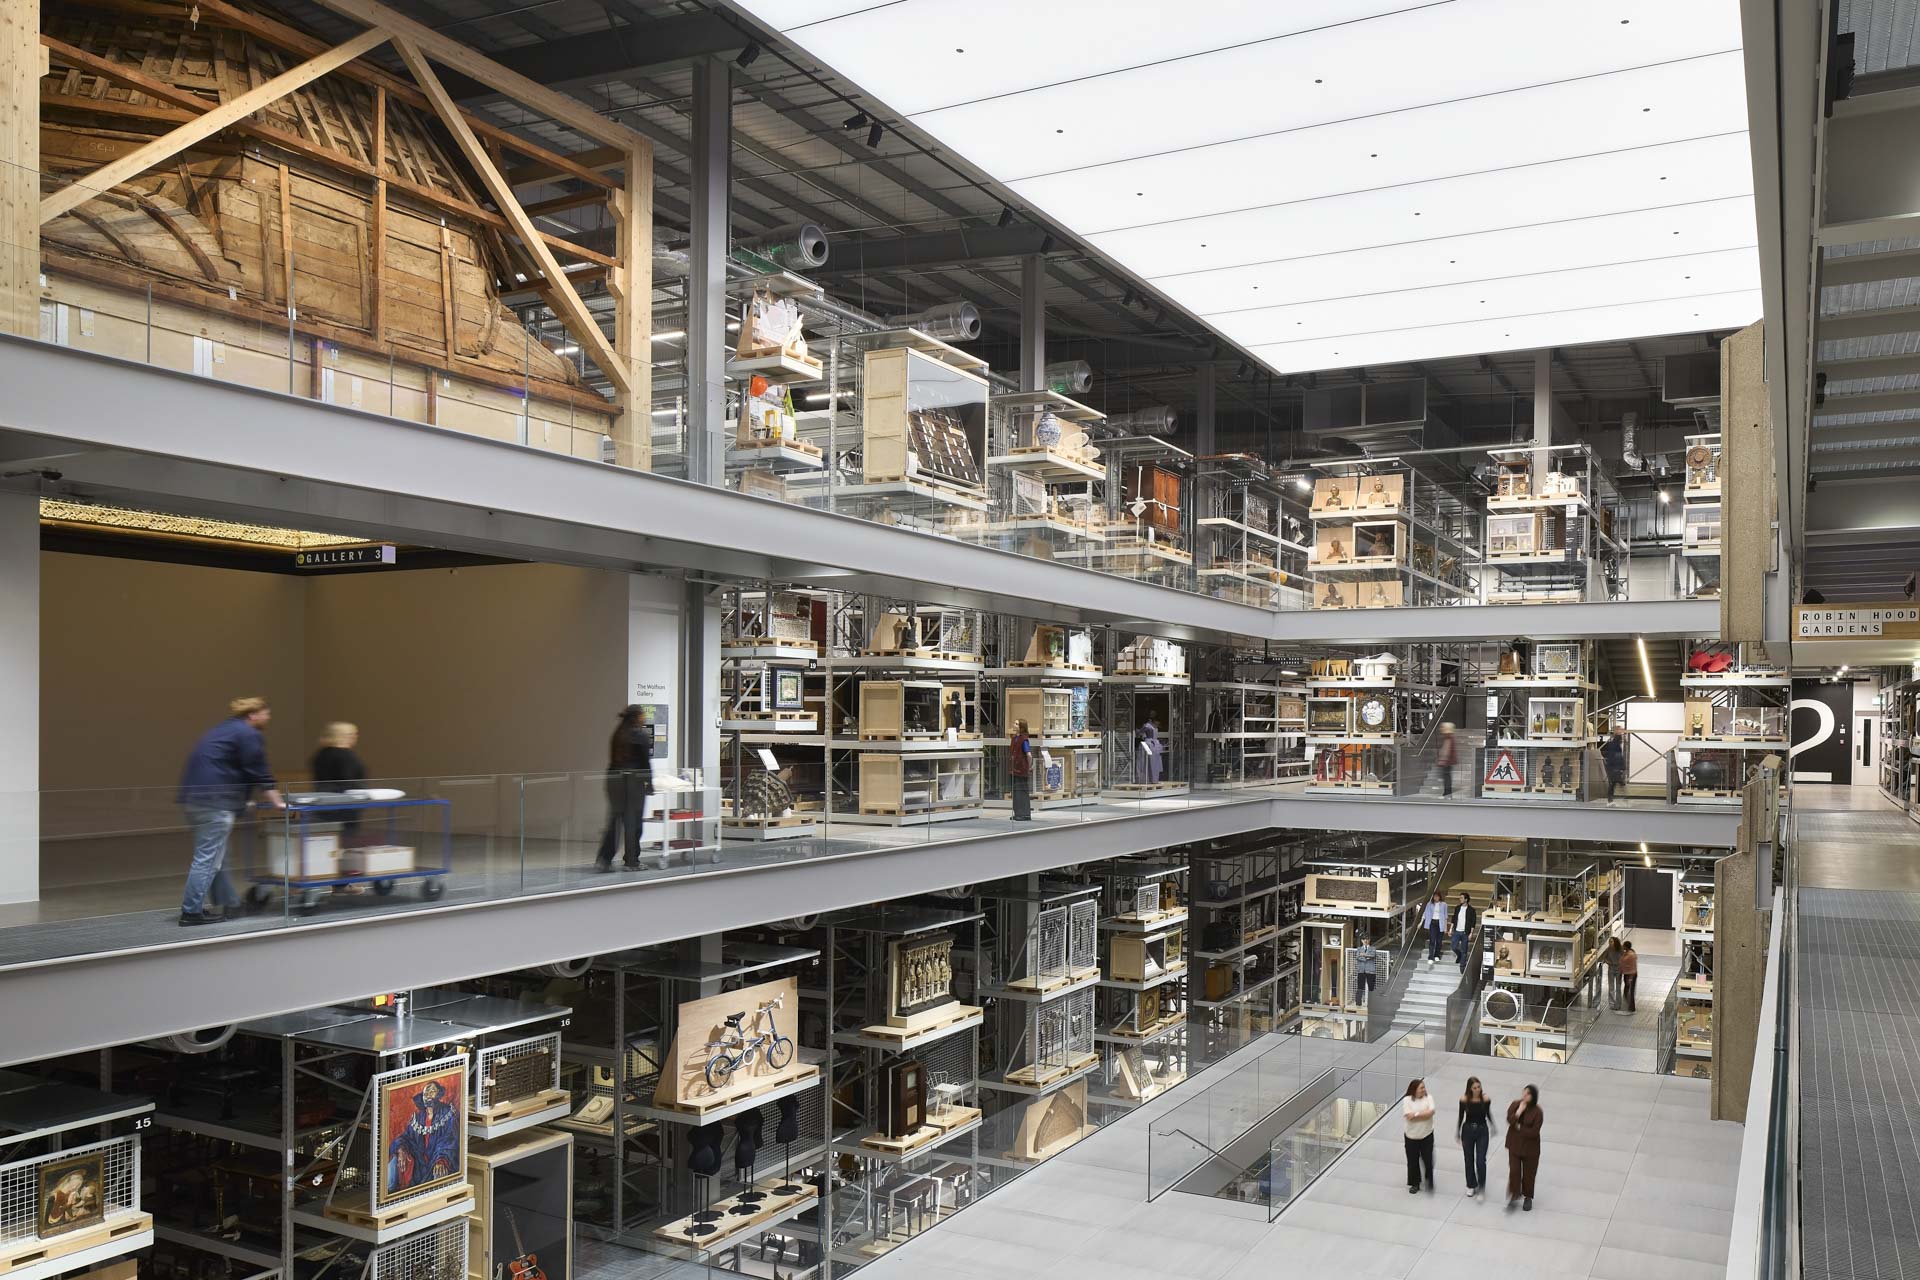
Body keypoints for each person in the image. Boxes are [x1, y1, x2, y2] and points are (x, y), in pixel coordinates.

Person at [177, 696, 284, 926]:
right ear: (252, 715)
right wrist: (276, 800)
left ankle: (229, 903)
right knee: (208, 860)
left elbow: (226, 767)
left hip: (196, 801)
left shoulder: (223, 730)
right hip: (215, 803)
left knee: (216, 858)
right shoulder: (248, 733)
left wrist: (242, 803)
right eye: (266, 713)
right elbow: (257, 768)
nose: (268, 718)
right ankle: (191, 912)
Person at [595, 705, 655, 871]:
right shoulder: (640, 735)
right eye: (643, 715)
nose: (645, 718)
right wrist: (649, 784)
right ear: (637, 717)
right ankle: (632, 860)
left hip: (614, 780)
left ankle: (604, 858)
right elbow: (645, 764)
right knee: (634, 823)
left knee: (615, 820)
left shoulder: (618, 733)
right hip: (632, 783)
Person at [310, 722, 367, 840]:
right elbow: (348, 780)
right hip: (345, 802)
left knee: (328, 837)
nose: (356, 737)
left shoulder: (321, 754)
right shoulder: (345, 756)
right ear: (343, 736)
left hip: (323, 799)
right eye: (352, 734)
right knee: (346, 836)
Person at [1505, 1084, 1543, 1210]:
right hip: (1514, 1145)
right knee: (1514, 1171)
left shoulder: (1538, 1112)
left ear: (1533, 1097)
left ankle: (1528, 1197)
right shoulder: (1516, 1104)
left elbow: (1534, 1132)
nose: (1524, 1096)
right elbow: (1509, 1120)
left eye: (1528, 1094)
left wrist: (1519, 1127)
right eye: (1524, 1093)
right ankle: (1514, 1195)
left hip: (1530, 1149)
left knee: (1529, 1174)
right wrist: (1518, 1112)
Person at [1458, 1076, 1495, 1198]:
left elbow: (1488, 1113)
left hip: (1482, 1130)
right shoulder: (1464, 1100)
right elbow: (1460, 1116)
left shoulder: (1485, 1099)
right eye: (1474, 1088)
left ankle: (1482, 1187)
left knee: (1480, 1160)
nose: (1477, 1089)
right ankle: (1470, 1185)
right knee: (1468, 1159)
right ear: (1470, 1089)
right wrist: (1457, 1132)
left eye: (1479, 1087)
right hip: (1468, 1130)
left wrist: (1493, 1125)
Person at [1402, 1079, 1436, 1194]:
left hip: (1426, 1135)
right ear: (1414, 1090)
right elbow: (1408, 1116)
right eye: (1421, 1088)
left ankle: (1429, 1180)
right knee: (1412, 1161)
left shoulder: (1429, 1098)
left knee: (1428, 1160)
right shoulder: (1407, 1100)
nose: (1423, 1090)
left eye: (1424, 1087)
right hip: (1411, 1137)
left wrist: (1416, 1114)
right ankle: (1415, 1183)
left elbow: (1430, 1113)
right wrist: (1423, 1115)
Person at [1009, 719, 1034, 821]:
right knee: (1015, 792)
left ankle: (1024, 814)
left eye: (1016, 724)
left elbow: (1029, 755)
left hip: (1021, 769)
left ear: (1021, 727)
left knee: (1021, 791)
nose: (1014, 725)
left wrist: (1029, 766)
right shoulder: (1014, 738)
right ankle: (1018, 812)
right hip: (1014, 768)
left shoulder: (1024, 739)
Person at [1601, 726, 1627, 803]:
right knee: (1616, 782)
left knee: (1615, 783)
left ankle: (1611, 799)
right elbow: (1615, 756)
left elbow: (1617, 755)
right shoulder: (1614, 744)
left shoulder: (1615, 744)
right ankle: (1612, 799)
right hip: (1614, 767)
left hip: (1614, 766)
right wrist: (1620, 766)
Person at [1423, 891, 1448, 964]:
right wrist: (1421, 922)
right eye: (1434, 896)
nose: (1435, 898)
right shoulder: (1429, 904)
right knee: (1432, 940)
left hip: (1440, 923)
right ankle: (1431, 956)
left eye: (1437, 896)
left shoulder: (1444, 904)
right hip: (1432, 923)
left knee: (1439, 941)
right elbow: (1425, 913)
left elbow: (1446, 916)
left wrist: (1446, 927)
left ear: (1439, 897)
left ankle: (1437, 955)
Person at [1434, 722, 1458, 797]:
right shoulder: (1448, 738)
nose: (1441, 729)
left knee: (1446, 776)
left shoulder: (1449, 738)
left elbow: (1446, 751)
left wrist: (1442, 759)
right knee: (1447, 776)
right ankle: (1447, 791)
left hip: (1447, 761)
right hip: (1448, 761)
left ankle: (1447, 792)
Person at [1452, 892, 1475, 968]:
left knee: (1464, 950)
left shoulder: (1471, 910)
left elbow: (1473, 922)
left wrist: (1471, 933)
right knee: (1454, 947)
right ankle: (1459, 955)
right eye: (1460, 898)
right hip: (1457, 931)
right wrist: (1450, 929)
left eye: (1461, 898)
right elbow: (1454, 918)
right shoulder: (1457, 908)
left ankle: (1462, 966)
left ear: (1466, 899)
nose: (1460, 899)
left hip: (1465, 932)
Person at [1355, 937, 1379, 1005]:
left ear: (1369, 940)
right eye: (1363, 939)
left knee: (1371, 987)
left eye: (1367, 939)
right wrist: (1367, 957)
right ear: (1361, 940)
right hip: (1361, 970)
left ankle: (1371, 1004)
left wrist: (1363, 955)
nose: (1365, 940)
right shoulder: (1359, 948)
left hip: (1371, 970)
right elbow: (1357, 957)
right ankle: (1358, 1003)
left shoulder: (1373, 948)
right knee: (1360, 987)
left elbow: (1372, 955)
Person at [1602, 936, 1624, 1011]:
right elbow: (1604, 958)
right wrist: (1608, 962)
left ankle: (1618, 1004)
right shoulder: (1608, 949)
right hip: (1611, 969)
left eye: (1611, 942)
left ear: (1615, 942)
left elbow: (1624, 957)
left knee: (1618, 987)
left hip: (1619, 970)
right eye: (1609, 942)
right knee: (1611, 987)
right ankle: (1611, 1004)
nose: (1610, 943)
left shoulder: (1620, 949)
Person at [1619, 939, 1640, 1012]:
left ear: (1626, 947)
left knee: (1630, 991)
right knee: (1627, 990)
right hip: (1626, 974)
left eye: (1623, 945)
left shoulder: (1631, 955)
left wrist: (1630, 978)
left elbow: (1633, 967)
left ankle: (1631, 1007)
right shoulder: (1626, 953)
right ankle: (1628, 1005)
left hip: (1631, 975)